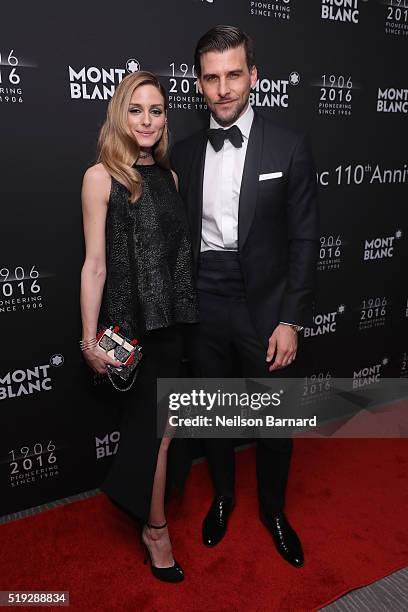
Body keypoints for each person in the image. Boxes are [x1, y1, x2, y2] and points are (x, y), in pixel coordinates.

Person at [171, 26, 319, 568]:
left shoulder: (289, 146)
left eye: (234, 74)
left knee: (275, 420)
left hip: (264, 305)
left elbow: (305, 240)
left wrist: (291, 320)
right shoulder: (183, 154)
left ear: (253, 76)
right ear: (199, 84)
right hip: (203, 300)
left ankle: (275, 512)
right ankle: (224, 497)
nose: (224, 88)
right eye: (212, 77)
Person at [79, 70, 198, 582]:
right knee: (153, 431)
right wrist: (89, 340)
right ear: (119, 115)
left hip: (170, 325)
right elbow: (95, 265)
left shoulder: (170, 178)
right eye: (136, 109)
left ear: (164, 118)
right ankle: (155, 530)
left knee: (166, 432)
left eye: (155, 110)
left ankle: (151, 521)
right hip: (127, 329)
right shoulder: (100, 176)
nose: (146, 120)